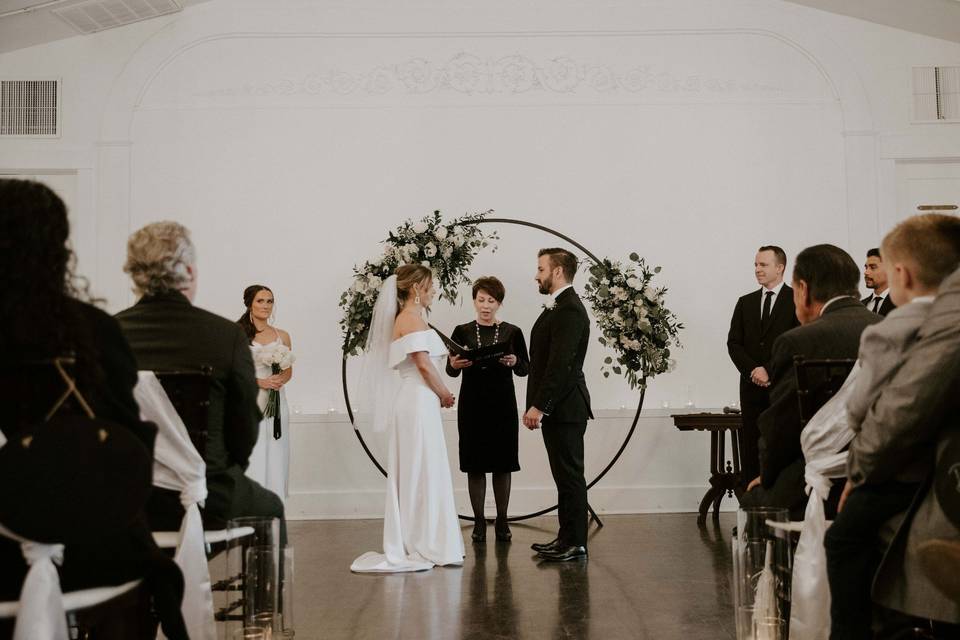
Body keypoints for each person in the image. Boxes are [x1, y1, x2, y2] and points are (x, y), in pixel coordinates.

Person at [0, 179, 188, 639]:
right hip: (91, 545)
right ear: (58, 251)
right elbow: (128, 447)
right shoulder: (92, 331)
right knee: (151, 566)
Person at [828, 216, 960, 639]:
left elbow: (876, 409)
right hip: (937, 463)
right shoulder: (944, 316)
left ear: (899, 273)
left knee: (844, 538)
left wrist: (859, 470)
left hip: (903, 468)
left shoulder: (892, 328)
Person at [115, 222, 286, 541]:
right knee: (271, 506)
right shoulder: (224, 336)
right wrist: (217, 471)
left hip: (125, 499)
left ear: (134, 274)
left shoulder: (107, 335)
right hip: (209, 496)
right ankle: (261, 591)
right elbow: (244, 430)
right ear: (190, 273)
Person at [741, 244, 881, 515]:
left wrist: (768, 477)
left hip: (814, 481)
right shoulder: (889, 330)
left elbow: (779, 428)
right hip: (878, 476)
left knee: (752, 502)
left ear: (803, 289)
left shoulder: (797, 342)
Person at [351, 264, 465, 572]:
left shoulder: (411, 318)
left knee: (423, 467)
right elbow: (423, 365)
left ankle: (426, 538)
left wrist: (450, 364)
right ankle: (424, 542)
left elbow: (424, 361)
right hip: (418, 400)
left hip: (417, 400)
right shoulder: (411, 319)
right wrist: (444, 393)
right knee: (421, 469)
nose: (434, 292)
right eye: (430, 287)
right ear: (416, 289)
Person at [445, 276, 530, 543]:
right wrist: (454, 366)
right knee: (475, 464)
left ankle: (502, 519)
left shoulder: (512, 331)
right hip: (472, 405)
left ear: (499, 303)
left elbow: (525, 368)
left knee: (503, 464)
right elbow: (451, 369)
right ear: (474, 301)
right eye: (480, 300)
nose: (485, 306)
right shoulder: (462, 330)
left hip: (503, 404)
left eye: (491, 301)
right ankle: (480, 521)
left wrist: (515, 359)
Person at [524, 248, 593, 562]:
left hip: (565, 408)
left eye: (541, 269)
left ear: (557, 272)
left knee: (569, 476)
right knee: (563, 476)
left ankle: (576, 542)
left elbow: (560, 366)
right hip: (560, 409)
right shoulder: (559, 306)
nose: (536, 275)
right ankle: (565, 538)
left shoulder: (569, 310)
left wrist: (540, 406)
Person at [727, 245, 799, 485]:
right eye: (756, 265)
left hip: (782, 389)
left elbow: (796, 341)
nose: (757, 269)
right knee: (751, 452)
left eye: (763, 265)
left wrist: (768, 369)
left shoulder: (795, 300)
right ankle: (751, 514)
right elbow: (734, 343)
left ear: (780, 268)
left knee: (781, 449)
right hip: (751, 391)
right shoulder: (745, 302)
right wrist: (753, 371)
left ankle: (778, 511)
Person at [238, 284, 293, 499]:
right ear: (250, 304)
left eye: (269, 301)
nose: (266, 305)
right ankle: (251, 501)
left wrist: (279, 380)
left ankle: (275, 500)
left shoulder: (283, 336)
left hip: (278, 401)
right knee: (254, 451)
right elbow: (234, 372)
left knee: (277, 450)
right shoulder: (239, 333)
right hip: (251, 401)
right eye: (260, 301)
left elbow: (288, 372)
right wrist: (261, 382)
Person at [862, 248, 897, 316]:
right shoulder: (861, 305)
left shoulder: (901, 304)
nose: (866, 272)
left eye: (873, 267)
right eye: (866, 267)